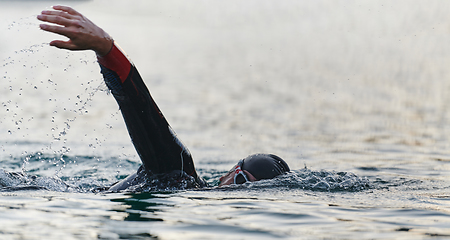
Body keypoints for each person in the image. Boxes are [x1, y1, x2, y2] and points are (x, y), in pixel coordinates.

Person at [37, 6, 290, 191]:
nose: (238, 195)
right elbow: (141, 108)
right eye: (241, 183)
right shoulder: (179, 172)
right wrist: (107, 49)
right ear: (229, 173)